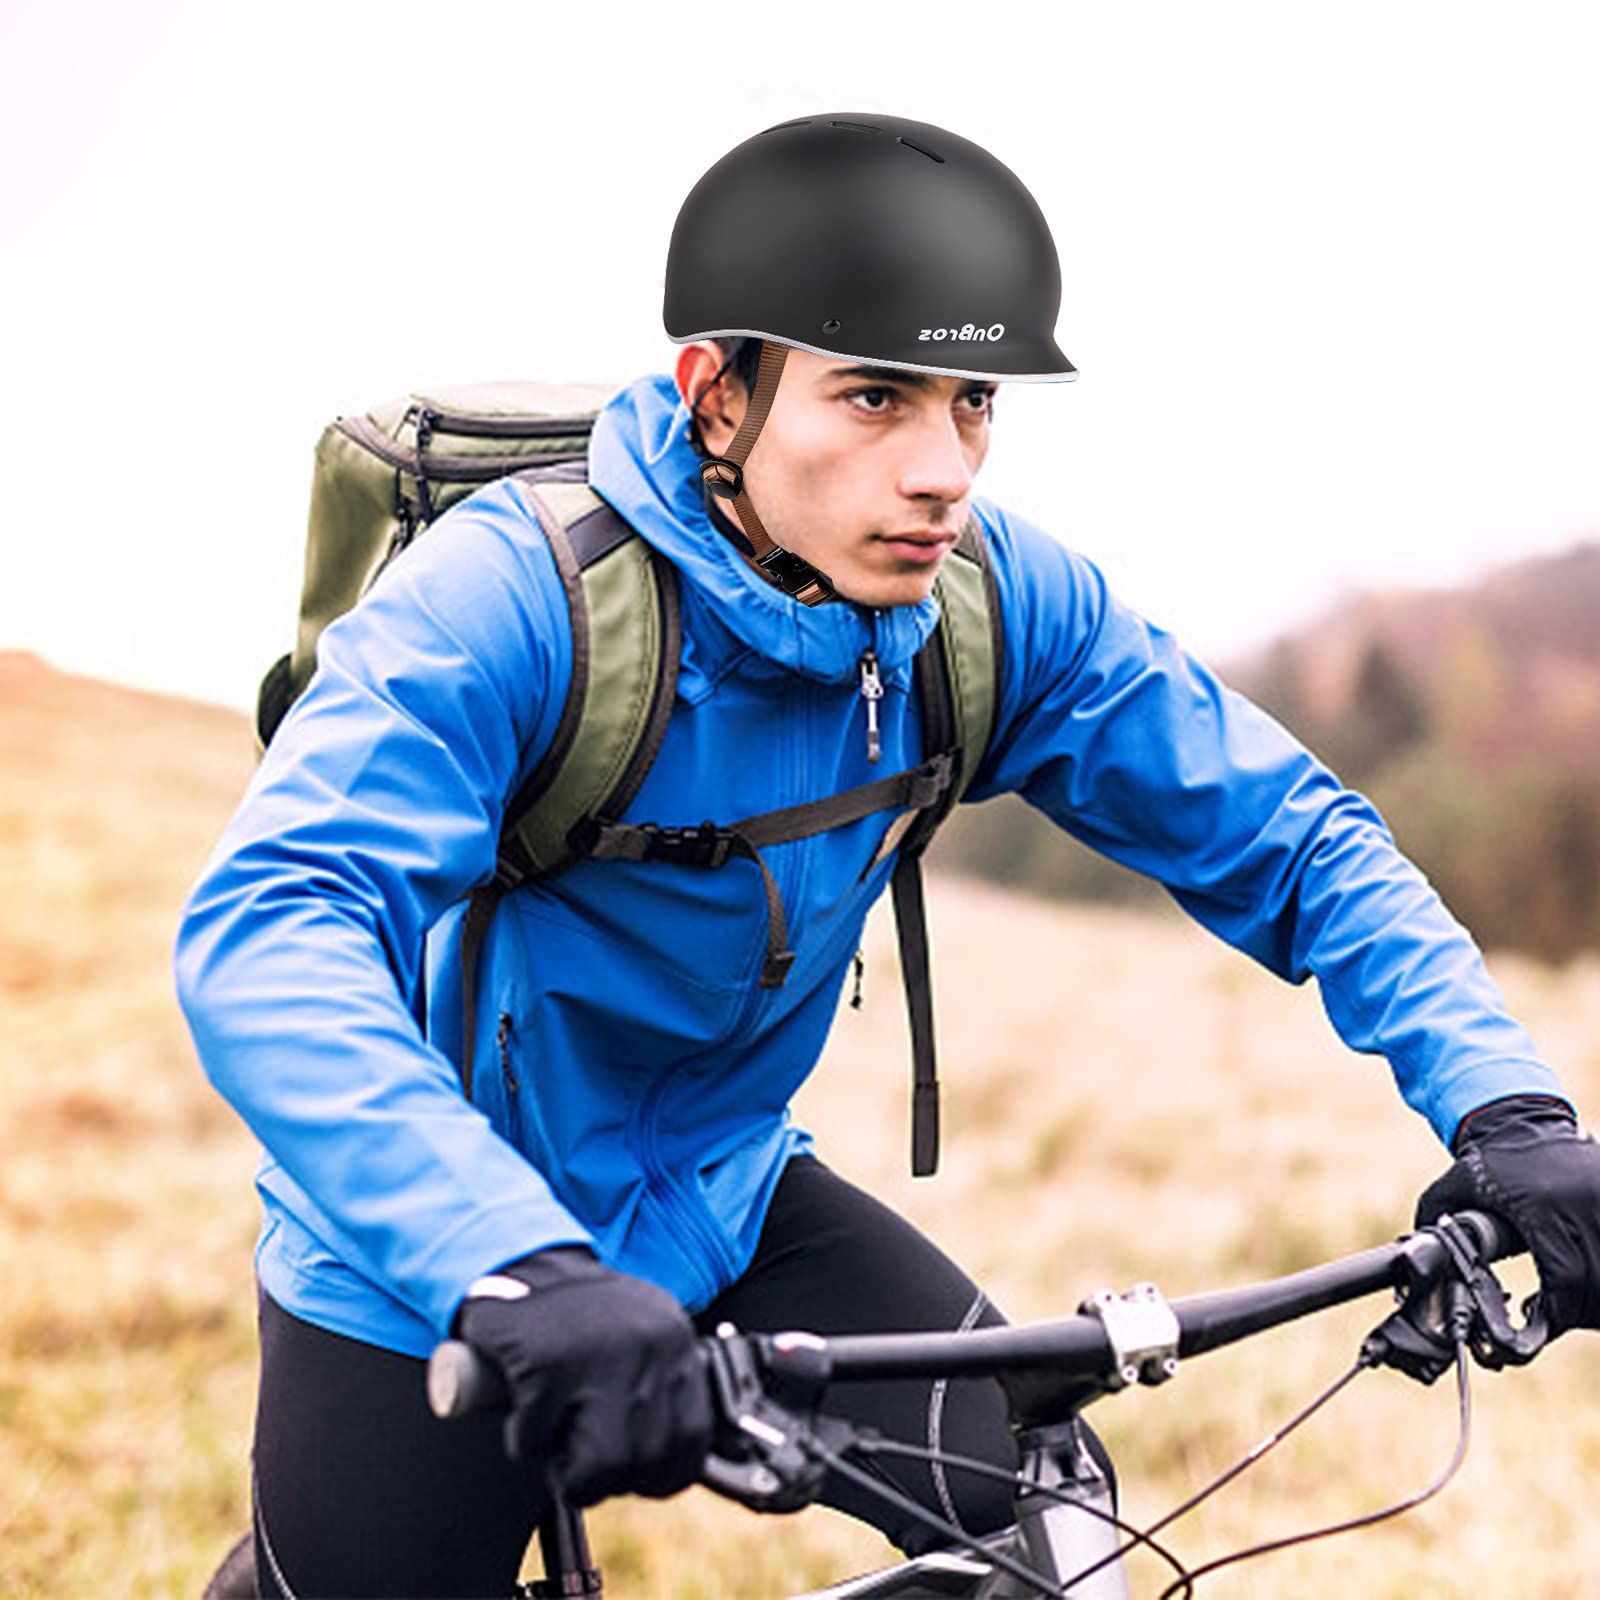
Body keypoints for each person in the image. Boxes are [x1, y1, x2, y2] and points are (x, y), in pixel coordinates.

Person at [175, 112, 1600, 1600]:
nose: (942, 469)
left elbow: (1297, 840)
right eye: (873, 398)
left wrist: (1508, 1106)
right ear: (715, 395)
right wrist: (506, 1255)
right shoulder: (516, 600)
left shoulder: (989, 606)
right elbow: (271, 928)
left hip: (727, 1198)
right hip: (427, 1261)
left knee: (1057, 1531)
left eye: (972, 402)